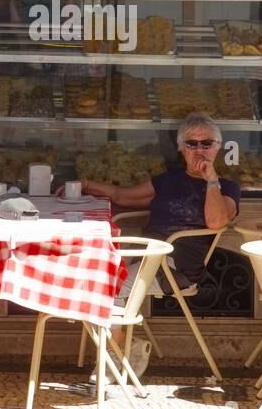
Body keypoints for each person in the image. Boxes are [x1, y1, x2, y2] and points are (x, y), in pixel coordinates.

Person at [76, 112, 241, 377]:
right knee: (92, 276)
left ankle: (117, 355)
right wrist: (83, 184)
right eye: (191, 143)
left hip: (178, 269)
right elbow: (123, 197)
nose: (199, 150)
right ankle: (126, 346)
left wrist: (211, 180)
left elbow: (216, 221)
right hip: (145, 256)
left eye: (206, 143)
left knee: (106, 287)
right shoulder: (168, 180)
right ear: (180, 148)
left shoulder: (228, 187)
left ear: (218, 148)